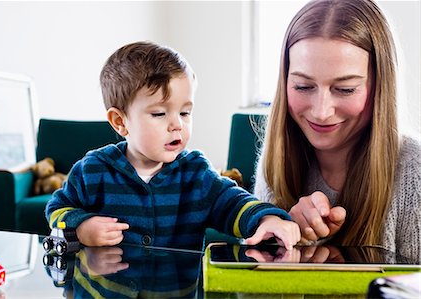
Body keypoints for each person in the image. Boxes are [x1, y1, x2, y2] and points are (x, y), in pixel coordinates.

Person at [45, 41, 300, 251]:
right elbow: (56, 209)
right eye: (159, 114)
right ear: (120, 122)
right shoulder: (92, 170)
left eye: (185, 112)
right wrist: (81, 226)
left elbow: (232, 202)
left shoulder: (195, 172)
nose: (177, 124)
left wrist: (267, 218)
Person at [254, 0, 420, 262]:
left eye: (345, 89)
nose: (321, 112)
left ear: (380, 87)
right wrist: (288, 240)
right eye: (303, 86)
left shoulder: (415, 173)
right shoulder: (277, 157)